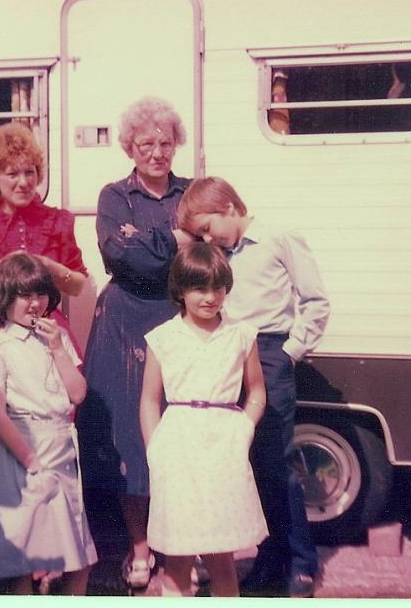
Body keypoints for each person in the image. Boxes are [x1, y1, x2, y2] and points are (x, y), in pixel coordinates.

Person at [178, 176, 330, 598]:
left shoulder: (279, 237)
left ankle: (301, 562)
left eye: (208, 227)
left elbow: (316, 300)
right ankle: (268, 557)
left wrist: (290, 353)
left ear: (228, 207)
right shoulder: (218, 253)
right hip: (229, 356)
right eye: (200, 234)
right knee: (244, 463)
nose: (207, 238)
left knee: (275, 461)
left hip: (268, 352)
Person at [75, 96, 195, 590]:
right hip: (123, 327)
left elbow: (211, 254)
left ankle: (179, 551)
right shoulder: (112, 196)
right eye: (147, 143)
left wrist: (154, 242)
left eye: (165, 142)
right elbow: (121, 258)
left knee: (178, 434)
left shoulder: (193, 192)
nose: (157, 152)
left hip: (180, 320)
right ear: (131, 146)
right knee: (130, 436)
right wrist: (177, 239)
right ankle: (141, 547)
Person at [0, 122, 89, 502]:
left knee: (52, 425)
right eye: (12, 173)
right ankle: (1, 533)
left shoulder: (58, 222)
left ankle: (54, 523)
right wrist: (0, 268)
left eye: (30, 172)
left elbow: (78, 284)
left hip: (48, 334)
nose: (23, 181)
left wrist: (49, 265)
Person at [140, 242, 268, 597]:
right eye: (199, 288)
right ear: (180, 290)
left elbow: (256, 392)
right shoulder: (163, 338)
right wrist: (156, 450)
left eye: (218, 287)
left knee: (220, 557)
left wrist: (244, 427)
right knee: (177, 557)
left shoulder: (241, 335)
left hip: (223, 449)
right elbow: (149, 401)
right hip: (177, 449)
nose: (210, 297)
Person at [0, 252, 98, 594]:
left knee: (77, 558)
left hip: (60, 450)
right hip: (22, 454)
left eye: (40, 294)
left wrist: (57, 349)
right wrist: (31, 462)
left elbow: (78, 394)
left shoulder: (58, 339)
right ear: (6, 298)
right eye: (25, 295)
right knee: (22, 559)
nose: (35, 303)